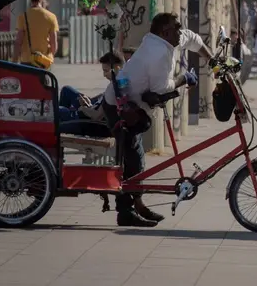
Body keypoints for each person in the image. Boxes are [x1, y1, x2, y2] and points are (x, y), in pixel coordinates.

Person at [101, 12, 213, 227]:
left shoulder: (165, 40)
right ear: (165, 32)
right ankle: (125, 212)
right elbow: (161, 88)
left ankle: (138, 206)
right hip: (119, 108)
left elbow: (193, 39)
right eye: (176, 27)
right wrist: (184, 78)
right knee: (132, 161)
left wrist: (211, 58)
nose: (180, 31)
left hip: (132, 105)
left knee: (137, 157)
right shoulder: (159, 52)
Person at [58, 51, 124, 124]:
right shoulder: (117, 84)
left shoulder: (114, 89)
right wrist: (89, 105)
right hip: (90, 110)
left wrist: (83, 109)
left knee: (56, 111)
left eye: (106, 71)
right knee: (66, 90)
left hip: (88, 122)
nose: (104, 75)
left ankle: (61, 124)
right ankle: (62, 123)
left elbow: (96, 116)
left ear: (116, 69)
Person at [15, 0, 59, 69]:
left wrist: (14, 60)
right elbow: (53, 44)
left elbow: (18, 41)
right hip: (44, 60)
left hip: (27, 60)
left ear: (30, 0)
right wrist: (50, 56)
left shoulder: (23, 17)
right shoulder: (51, 17)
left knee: (27, 80)